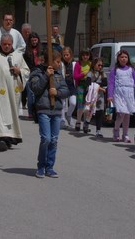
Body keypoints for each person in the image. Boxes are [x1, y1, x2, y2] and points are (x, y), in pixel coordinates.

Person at [30, 49, 70, 178]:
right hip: (43, 109)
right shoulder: (37, 72)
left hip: (56, 110)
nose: (60, 64)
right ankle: (41, 166)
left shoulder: (58, 74)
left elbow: (66, 90)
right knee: (46, 139)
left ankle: (50, 167)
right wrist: (46, 76)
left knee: (54, 140)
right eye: (58, 61)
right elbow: (35, 88)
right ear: (50, 61)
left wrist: (57, 93)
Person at [107, 50, 135, 142]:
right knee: (121, 113)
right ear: (118, 59)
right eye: (122, 57)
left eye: (125, 57)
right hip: (119, 93)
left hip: (129, 93)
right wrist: (110, 95)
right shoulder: (115, 70)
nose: (124, 59)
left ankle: (125, 134)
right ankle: (116, 130)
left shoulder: (131, 69)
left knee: (127, 115)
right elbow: (111, 83)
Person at [83, 58, 107, 138]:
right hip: (92, 96)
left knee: (99, 113)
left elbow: (105, 83)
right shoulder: (90, 73)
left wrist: (96, 85)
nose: (100, 67)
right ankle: (86, 123)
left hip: (100, 96)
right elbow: (88, 84)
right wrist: (99, 87)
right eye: (98, 65)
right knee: (90, 112)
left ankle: (98, 131)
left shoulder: (103, 74)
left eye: (101, 65)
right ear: (94, 65)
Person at [23, 32, 42, 119]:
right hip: (29, 73)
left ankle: (37, 111)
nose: (34, 42)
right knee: (30, 94)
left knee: (37, 94)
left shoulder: (41, 50)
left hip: (39, 73)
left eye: (35, 40)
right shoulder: (26, 50)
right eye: (32, 40)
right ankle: (30, 112)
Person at [73, 49, 92, 131]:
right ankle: (78, 122)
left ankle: (85, 124)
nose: (85, 57)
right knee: (80, 104)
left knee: (87, 105)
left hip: (89, 86)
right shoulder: (78, 64)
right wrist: (83, 74)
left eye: (87, 55)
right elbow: (75, 76)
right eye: (83, 55)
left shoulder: (91, 64)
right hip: (80, 85)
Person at [61, 47, 77, 129]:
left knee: (73, 103)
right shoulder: (61, 64)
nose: (65, 56)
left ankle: (69, 115)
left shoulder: (74, 64)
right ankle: (62, 121)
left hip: (71, 86)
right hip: (63, 86)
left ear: (70, 55)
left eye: (67, 55)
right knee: (63, 104)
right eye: (64, 55)